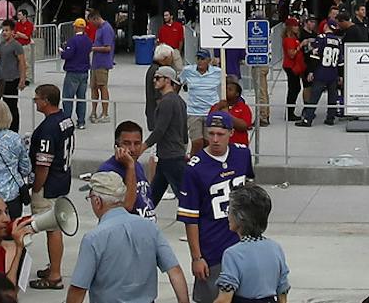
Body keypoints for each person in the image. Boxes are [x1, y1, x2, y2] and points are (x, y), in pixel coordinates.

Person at [65, 169, 189, 303]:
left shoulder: (93, 238)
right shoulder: (150, 227)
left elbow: (78, 289)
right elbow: (175, 271)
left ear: (97, 201)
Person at [179, 112, 254, 300]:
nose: (214, 139)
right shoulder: (195, 168)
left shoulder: (242, 154)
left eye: (220, 134)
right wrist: (197, 257)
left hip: (243, 245)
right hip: (213, 250)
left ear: (231, 133)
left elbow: (251, 193)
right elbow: (190, 218)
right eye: (211, 133)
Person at [28, 84, 76, 287]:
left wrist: (36, 187)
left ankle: (55, 275)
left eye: (37, 98)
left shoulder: (48, 128)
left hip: (49, 184)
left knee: (52, 228)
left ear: (46, 101)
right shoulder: (66, 119)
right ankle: (53, 266)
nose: (35, 101)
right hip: (63, 178)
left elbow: (43, 164)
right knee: (55, 227)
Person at [209, 180, 286, 303]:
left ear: (240, 218)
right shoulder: (275, 248)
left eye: (229, 211)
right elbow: (282, 291)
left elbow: (224, 299)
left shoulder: (233, 254)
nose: (228, 215)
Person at [145, 71, 188, 214]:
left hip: (171, 157)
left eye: (158, 78)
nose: (154, 80)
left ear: (168, 80)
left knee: (186, 198)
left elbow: (159, 130)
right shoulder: (179, 101)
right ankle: (141, 217)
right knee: (153, 195)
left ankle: (198, 225)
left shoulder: (167, 102)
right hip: (170, 156)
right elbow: (184, 132)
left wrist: (142, 147)